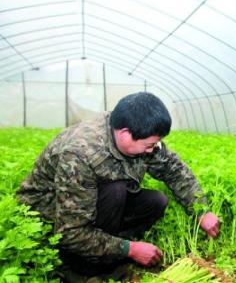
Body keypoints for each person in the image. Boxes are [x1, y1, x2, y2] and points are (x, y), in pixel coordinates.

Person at [17, 92, 220, 279]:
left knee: (155, 201)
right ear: (125, 134)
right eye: (149, 145)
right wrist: (129, 249)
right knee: (115, 191)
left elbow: (174, 170)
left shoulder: (137, 135)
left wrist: (201, 210)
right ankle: (81, 269)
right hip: (51, 213)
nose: (152, 150)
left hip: (93, 203)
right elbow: (71, 231)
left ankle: (108, 249)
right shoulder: (81, 153)